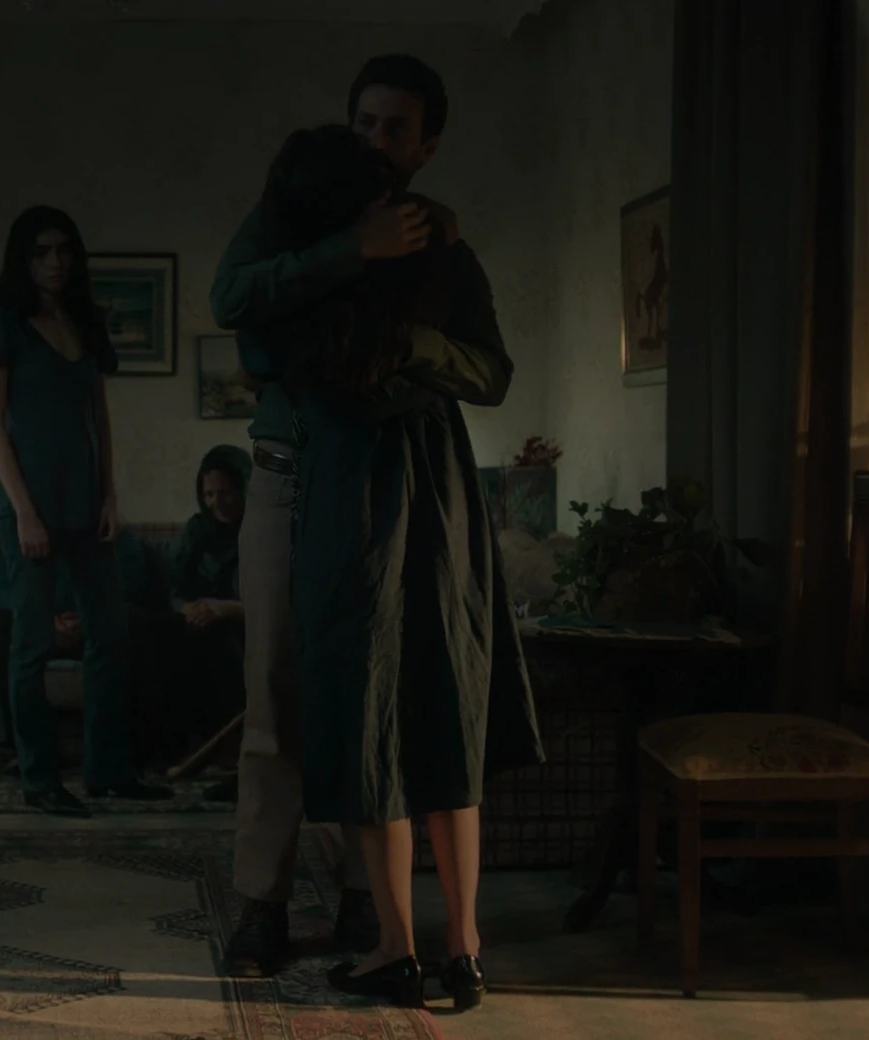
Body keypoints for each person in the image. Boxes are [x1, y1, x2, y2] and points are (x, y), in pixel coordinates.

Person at [265, 118, 545, 1009]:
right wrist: (409, 348)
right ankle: (445, 946)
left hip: (378, 492)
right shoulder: (377, 264)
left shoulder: (345, 275)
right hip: (409, 485)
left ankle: (418, 946)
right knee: (413, 709)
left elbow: (489, 373)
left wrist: (404, 345)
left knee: (393, 712)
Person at [209, 52, 463, 980]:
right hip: (284, 478)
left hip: (380, 481)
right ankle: (262, 900)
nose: (377, 142)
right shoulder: (292, 206)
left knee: (372, 692)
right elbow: (230, 297)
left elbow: (472, 357)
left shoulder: (434, 230)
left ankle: (368, 895)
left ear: (426, 146)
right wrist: (352, 248)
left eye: (397, 129)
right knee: (273, 692)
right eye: (365, 123)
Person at [0, 204, 173, 817]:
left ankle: (108, 770)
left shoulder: (85, 322)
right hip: (29, 506)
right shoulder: (5, 325)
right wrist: (24, 512)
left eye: (63, 251)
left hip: (87, 505)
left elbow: (99, 418)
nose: (55, 262)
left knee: (109, 633)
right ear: (23, 260)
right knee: (31, 643)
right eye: (41, 253)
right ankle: (39, 778)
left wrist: (110, 495)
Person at [0, 527, 162, 773]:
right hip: (37, 630)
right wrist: (44, 620)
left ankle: (126, 750)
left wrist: (86, 617)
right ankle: (13, 748)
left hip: (93, 629)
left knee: (132, 618)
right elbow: (2, 588)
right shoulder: (24, 537)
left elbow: (131, 585)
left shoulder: (116, 538)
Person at [153, 445, 251, 763]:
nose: (216, 503)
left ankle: (228, 746)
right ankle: (172, 748)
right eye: (209, 494)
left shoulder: (264, 531)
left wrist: (225, 609)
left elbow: (277, 602)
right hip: (197, 621)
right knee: (162, 636)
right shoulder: (198, 530)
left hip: (244, 625)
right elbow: (175, 589)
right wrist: (189, 609)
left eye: (225, 493)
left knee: (221, 647)